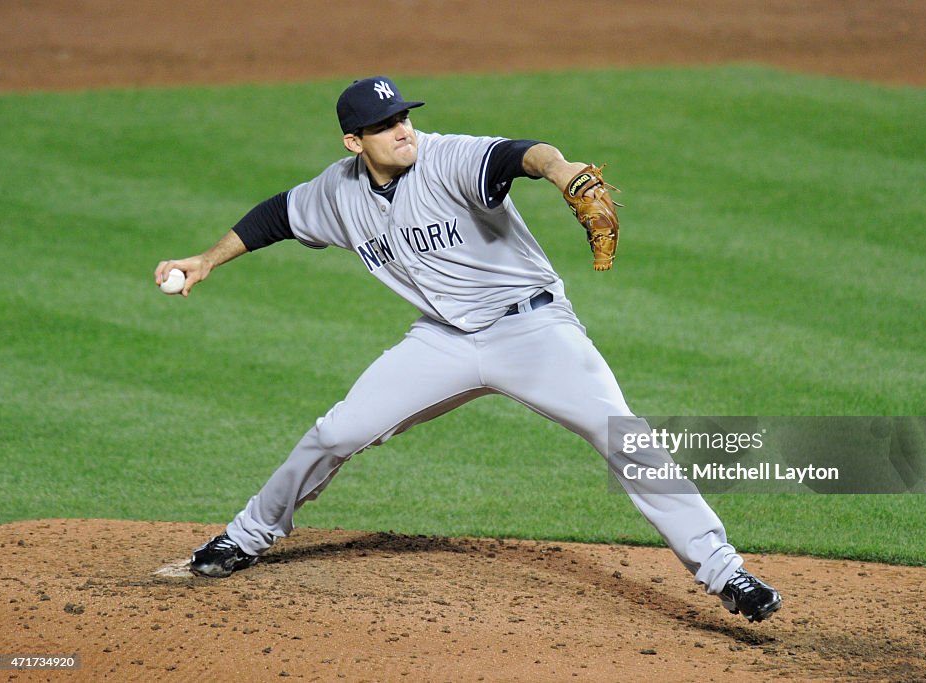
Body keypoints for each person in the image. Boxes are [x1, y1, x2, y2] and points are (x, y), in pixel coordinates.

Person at [155, 76, 782, 623]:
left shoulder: (449, 157)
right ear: (354, 142)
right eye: (382, 125)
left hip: (533, 333)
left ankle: (726, 573)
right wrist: (207, 260)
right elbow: (276, 217)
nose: (401, 130)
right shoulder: (338, 191)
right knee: (337, 432)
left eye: (402, 116)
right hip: (441, 341)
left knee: (624, 434)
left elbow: (520, 154)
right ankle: (244, 538)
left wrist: (562, 171)